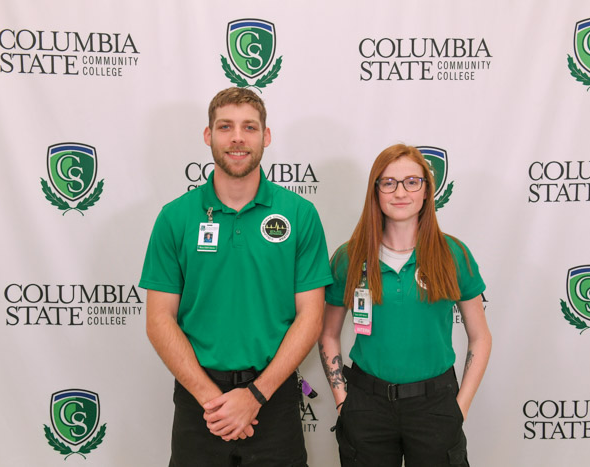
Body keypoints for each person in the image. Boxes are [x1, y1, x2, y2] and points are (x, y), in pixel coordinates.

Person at [140, 87, 332, 467]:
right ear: (209, 136)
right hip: (200, 402)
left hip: (273, 398)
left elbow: (311, 316)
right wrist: (214, 402)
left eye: (249, 127)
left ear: (267, 136)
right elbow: (158, 319)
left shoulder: (300, 214)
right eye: (225, 127)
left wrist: (255, 396)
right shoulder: (175, 217)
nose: (238, 138)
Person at [319, 144, 491, 467]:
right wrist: (343, 402)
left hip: (435, 406)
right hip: (366, 405)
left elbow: (480, 337)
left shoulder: (454, 255)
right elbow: (328, 334)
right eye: (389, 182)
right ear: (376, 191)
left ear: (427, 190)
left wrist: (460, 407)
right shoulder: (349, 257)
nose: (400, 192)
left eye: (412, 182)